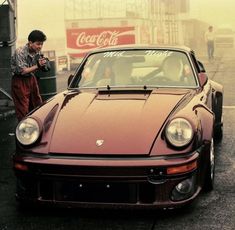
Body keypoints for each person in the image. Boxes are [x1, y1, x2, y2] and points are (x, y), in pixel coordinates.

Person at [11, 30, 48, 121]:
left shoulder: (37, 52)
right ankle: (23, 131)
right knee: (23, 108)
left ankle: (36, 127)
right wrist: (38, 65)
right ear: (30, 43)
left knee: (37, 103)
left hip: (31, 79)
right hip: (20, 80)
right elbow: (23, 71)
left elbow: (38, 67)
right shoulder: (20, 52)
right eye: (38, 44)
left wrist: (44, 65)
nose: (40, 47)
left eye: (41, 44)